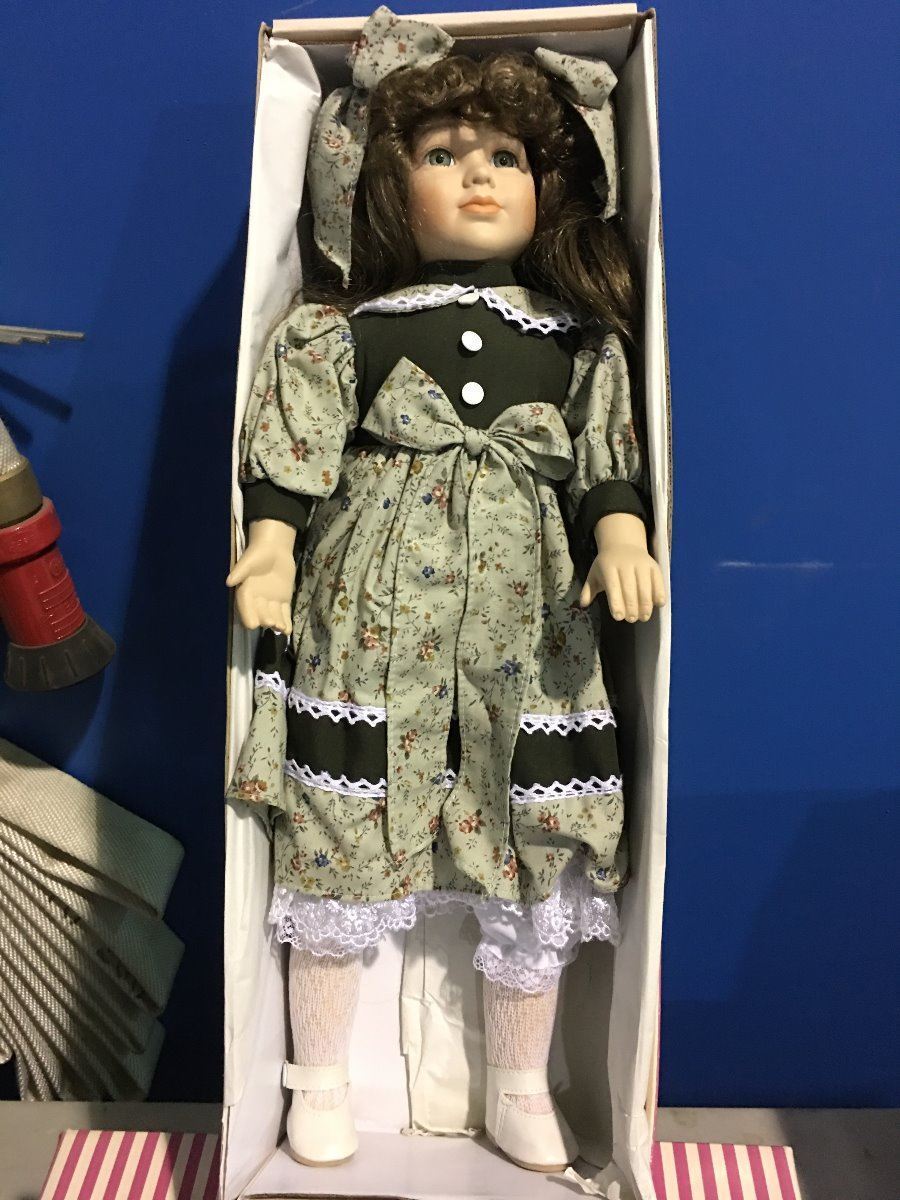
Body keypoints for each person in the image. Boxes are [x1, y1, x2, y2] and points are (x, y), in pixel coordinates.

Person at [226, 5, 666, 1174]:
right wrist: (271, 546)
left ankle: (519, 1081)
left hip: (530, 618)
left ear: (547, 188)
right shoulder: (351, 330)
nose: (478, 177)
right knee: (341, 827)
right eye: (443, 154)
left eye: (505, 157)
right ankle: (318, 1078)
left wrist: (619, 529)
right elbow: (298, 448)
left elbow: (605, 455)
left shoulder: (575, 340)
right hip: (372, 610)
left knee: (535, 839)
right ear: (384, 185)